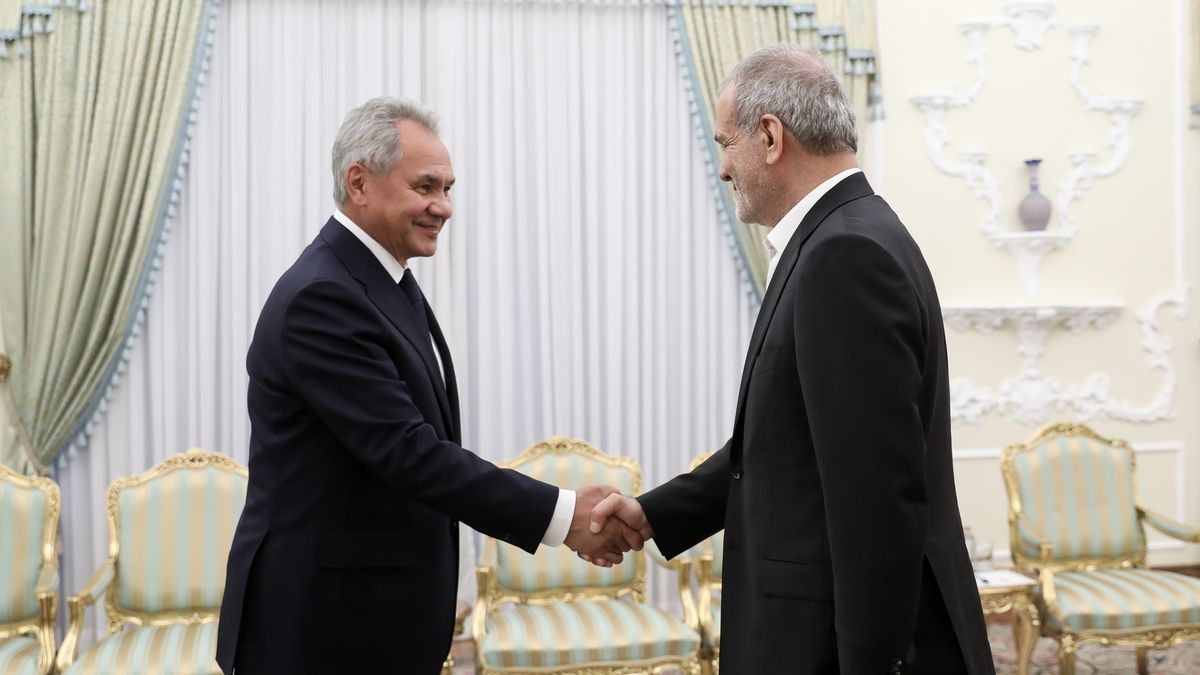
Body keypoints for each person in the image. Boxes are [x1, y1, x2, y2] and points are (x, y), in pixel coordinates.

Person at [588, 45, 994, 674]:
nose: (723, 169)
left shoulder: (844, 254)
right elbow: (784, 447)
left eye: (727, 143)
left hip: (832, 647)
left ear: (771, 137)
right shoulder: (846, 234)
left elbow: (877, 499)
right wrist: (654, 513)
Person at [216, 97, 639, 675]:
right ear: (359, 183)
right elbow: (410, 453)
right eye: (426, 187)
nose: (443, 207)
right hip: (323, 626)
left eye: (448, 188)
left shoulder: (381, 278)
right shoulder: (324, 297)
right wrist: (564, 516)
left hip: (370, 614)